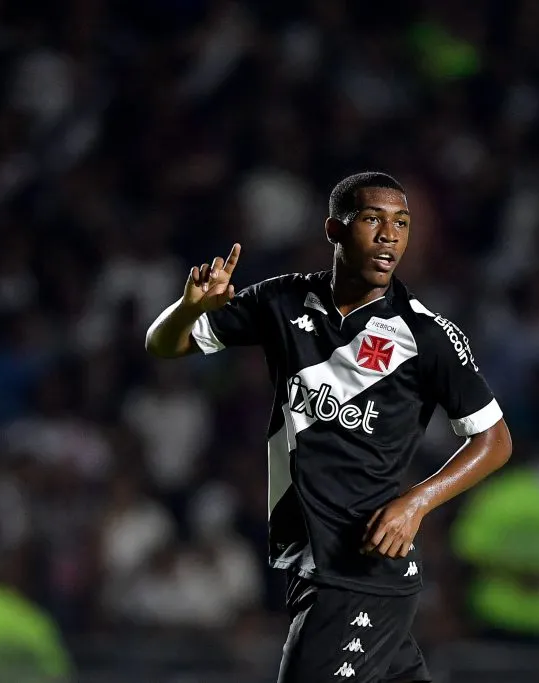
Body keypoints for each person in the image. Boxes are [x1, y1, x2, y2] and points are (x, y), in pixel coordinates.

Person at [146, 172, 513, 683]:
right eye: (373, 220)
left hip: (360, 567)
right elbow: (163, 345)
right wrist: (189, 308)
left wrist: (415, 503)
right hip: (313, 561)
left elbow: (494, 441)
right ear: (334, 231)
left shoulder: (425, 334)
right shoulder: (282, 302)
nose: (390, 234)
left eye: (401, 223)